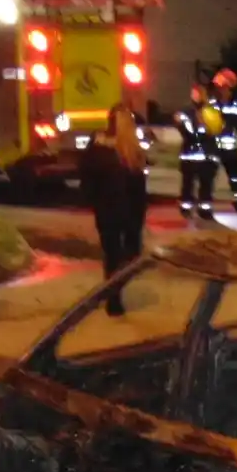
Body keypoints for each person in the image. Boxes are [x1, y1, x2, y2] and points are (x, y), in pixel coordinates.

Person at [78, 103, 149, 317]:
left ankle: (113, 297)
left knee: (112, 255)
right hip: (125, 214)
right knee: (126, 255)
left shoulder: (99, 147)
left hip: (107, 212)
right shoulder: (129, 151)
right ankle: (114, 297)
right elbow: (139, 189)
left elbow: (86, 177)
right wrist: (139, 217)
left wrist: (93, 202)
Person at [210, 68, 237, 212]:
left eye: (227, 88)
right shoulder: (211, 106)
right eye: (222, 88)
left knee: (235, 177)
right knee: (209, 177)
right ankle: (206, 204)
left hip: (230, 150)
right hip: (213, 149)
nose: (224, 91)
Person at [173, 83, 218, 219]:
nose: (196, 96)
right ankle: (186, 208)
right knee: (187, 185)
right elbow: (187, 133)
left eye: (199, 93)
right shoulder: (186, 113)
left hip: (207, 156)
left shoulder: (212, 112)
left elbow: (215, 131)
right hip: (189, 156)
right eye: (194, 93)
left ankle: (205, 210)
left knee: (206, 186)